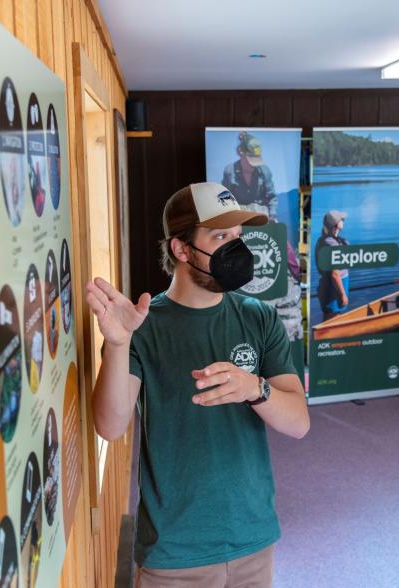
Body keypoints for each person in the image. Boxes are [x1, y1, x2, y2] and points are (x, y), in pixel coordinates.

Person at [88, 182, 309, 588]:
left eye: (238, 238)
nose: (236, 250)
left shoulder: (259, 318)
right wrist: (117, 345)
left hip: (253, 541)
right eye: (220, 237)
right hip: (174, 553)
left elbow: (298, 423)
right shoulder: (141, 325)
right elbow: (110, 426)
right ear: (181, 249)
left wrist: (254, 388)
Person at [222, 131, 303, 347]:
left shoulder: (264, 170)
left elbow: (272, 197)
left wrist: (271, 217)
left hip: (263, 216)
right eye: (250, 159)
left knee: (284, 245)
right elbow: (223, 197)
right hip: (238, 219)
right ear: (241, 152)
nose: (253, 165)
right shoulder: (229, 171)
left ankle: (295, 274)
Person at [314, 211, 349, 321]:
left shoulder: (325, 240)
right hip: (334, 287)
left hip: (331, 285)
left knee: (334, 316)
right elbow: (335, 274)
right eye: (341, 219)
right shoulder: (331, 244)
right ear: (335, 224)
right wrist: (342, 294)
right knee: (333, 318)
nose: (343, 220)